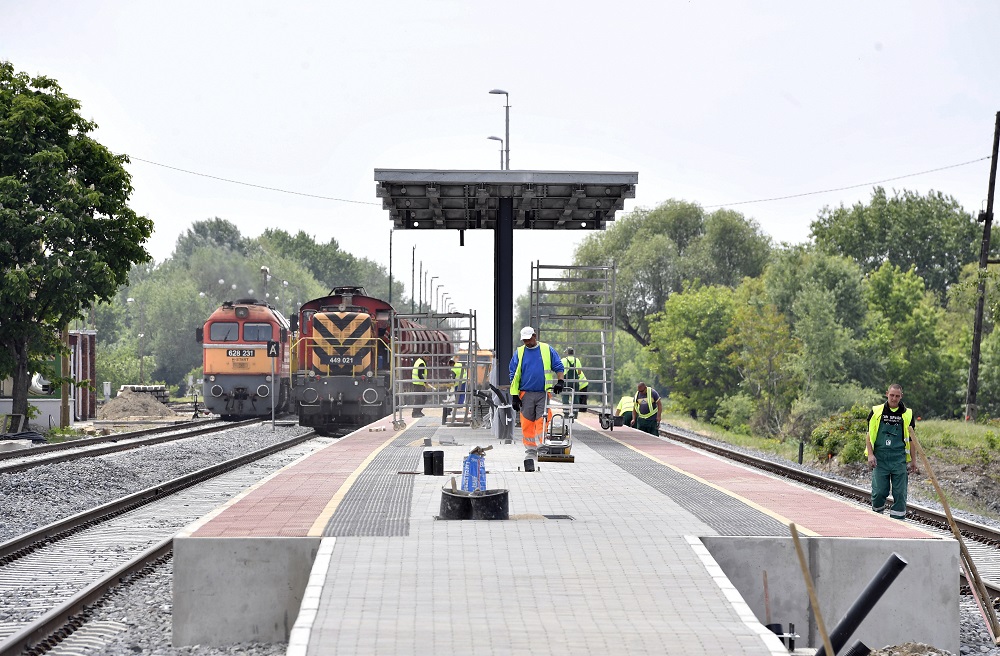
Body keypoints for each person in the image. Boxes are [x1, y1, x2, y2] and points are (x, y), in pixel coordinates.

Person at [509, 326, 565, 472]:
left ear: (535, 336)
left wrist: (560, 381)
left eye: (529, 339)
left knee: (543, 419)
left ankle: (542, 447)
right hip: (525, 393)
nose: (527, 342)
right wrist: (514, 395)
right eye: (524, 340)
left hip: (543, 393)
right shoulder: (519, 352)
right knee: (527, 421)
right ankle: (530, 449)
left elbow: (558, 366)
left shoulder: (547, 349)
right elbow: (513, 374)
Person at [867, 384, 916, 520]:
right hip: (880, 458)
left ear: (901, 396)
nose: (894, 398)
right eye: (892, 395)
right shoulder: (876, 411)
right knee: (879, 492)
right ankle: (877, 519)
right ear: (887, 394)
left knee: (900, 493)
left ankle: (898, 522)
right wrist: (870, 454)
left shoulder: (907, 414)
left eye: (897, 396)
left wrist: (913, 460)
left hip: (899, 458)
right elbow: (869, 435)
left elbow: (912, 439)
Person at [562, 347, 589, 416]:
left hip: (566, 382)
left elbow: (560, 371)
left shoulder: (563, 360)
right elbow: (579, 372)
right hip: (575, 381)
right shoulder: (577, 360)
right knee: (576, 397)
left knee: (565, 397)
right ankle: (575, 413)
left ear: (567, 353)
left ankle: (566, 413)